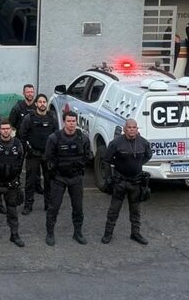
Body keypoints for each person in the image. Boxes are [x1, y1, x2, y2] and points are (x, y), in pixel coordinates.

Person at [101, 119, 153, 245]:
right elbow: (106, 159)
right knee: (114, 210)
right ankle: (108, 234)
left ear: (137, 129)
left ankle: (135, 233)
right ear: (124, 129)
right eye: (129, 127)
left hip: (136, 182)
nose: (132, 129)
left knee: (136, 211)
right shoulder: (116, 143)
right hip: (120, 181)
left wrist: (137, 165)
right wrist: (109, 177)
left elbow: (148, 155)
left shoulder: (144, 143)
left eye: (134, 127)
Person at [44, 111, 92, 246]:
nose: (71, 124)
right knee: (54, 207)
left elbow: (88, 156)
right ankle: (50, 233)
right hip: (59, 179)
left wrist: (78, 166)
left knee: (78, 208)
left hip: (76, 178)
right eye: (69, 121)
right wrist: (54, 172)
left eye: (73, 121)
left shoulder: (83, 138)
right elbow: (48, 157)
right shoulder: (54, 138)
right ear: (64, 122)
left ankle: (78, 233)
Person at [17, 94, 58, 215]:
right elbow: (22, 135)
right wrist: (26, 150)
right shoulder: (29, 118)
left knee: (49, 181)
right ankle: (28, 205)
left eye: (44, 102)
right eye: (39, 102)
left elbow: (56, 136)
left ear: (46, 104)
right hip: (33, 154)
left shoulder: (52, 118)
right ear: (36, 104)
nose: (42, 104)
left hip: (47, 154)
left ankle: (48, 204)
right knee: (30, 181)